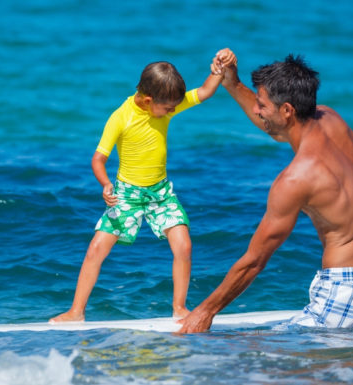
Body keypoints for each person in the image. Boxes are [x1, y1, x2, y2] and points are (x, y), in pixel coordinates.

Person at [177, 49, 353, 332]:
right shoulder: (332, 120)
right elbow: (275, 126)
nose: (256, 110)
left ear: (288, 109)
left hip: (343, 293)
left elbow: (254, 261)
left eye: (261, 104)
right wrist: (232, 83)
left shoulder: (296, 178)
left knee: (244, 361)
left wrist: (205, 313)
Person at [50, 54, 234, 323]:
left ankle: (179, 308)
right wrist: (105, 184)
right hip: (127, 194)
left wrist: (220, 69)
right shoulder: (121, 117)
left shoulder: (164, 102)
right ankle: (76, 311)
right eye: (168, 108)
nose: (172, 111)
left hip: (161, 194)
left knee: (183, 246)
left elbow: (205, 92)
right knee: (96, 249)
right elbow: (98, 159)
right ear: (149, 101)